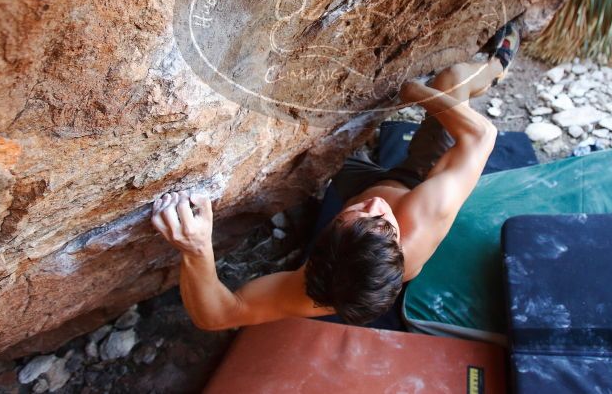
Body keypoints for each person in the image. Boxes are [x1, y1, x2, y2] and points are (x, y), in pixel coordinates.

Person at [151, 26, 519, 330]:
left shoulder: (310, 291)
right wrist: (412, 92)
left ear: (327, 237)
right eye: (380, 222)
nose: (374, 207)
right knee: (450, 79)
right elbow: (482, 136)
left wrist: (196, 249)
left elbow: (217, 316)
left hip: (393, 185)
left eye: (360, 217)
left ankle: (489, 68)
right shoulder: (427, 212)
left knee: (446, 84)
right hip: (411, 182)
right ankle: (487, 69)